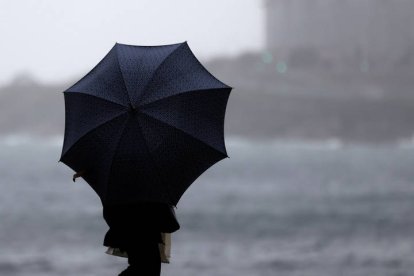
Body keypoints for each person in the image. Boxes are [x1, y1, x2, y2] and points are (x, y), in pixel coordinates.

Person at [73, 172, 180, 276]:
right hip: (143, 235)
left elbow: (110, 211)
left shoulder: (120, 182)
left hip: (135, 233)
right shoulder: (146, 179)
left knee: (142, 267)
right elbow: (168, 223)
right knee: (145, 268)